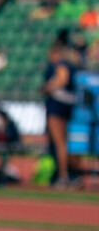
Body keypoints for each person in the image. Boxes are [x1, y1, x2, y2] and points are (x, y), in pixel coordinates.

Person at [41, 40, 78, 187]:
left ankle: (63, 176)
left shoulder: (61, 64)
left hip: (57, 105)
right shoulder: (71, 63)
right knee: (64, 142)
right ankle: (69, 173)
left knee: (59, 143)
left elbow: (62, 79)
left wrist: (48, 87)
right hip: (67, 104)